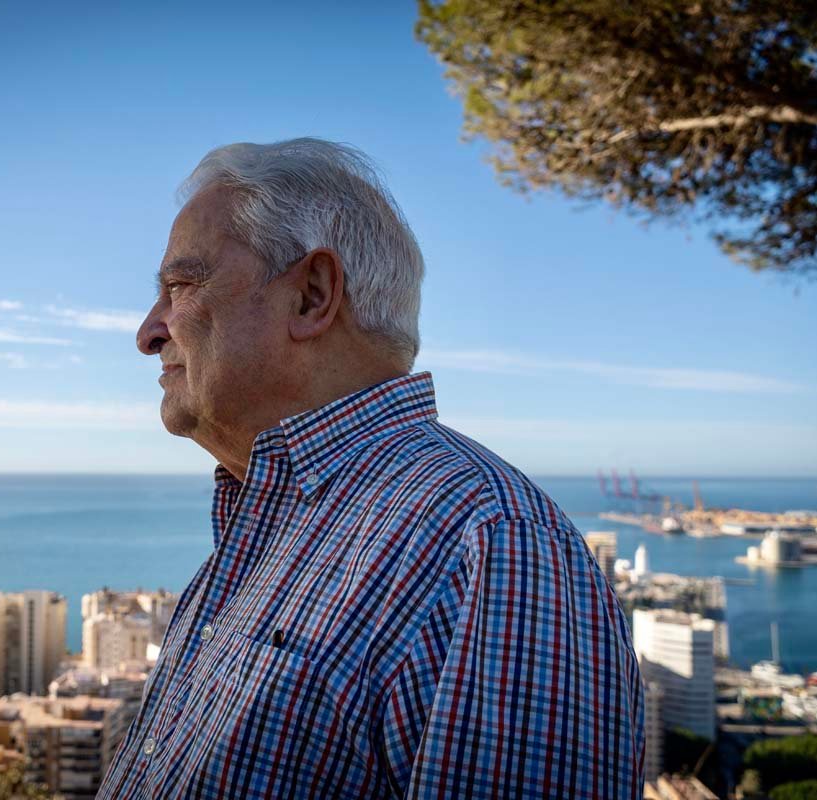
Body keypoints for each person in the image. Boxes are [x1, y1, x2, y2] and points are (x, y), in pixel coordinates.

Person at [96, 138, 644, 799]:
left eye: (181, 286)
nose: (148, 332)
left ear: (311, 296)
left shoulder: (493, 544)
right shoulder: (276, 527)